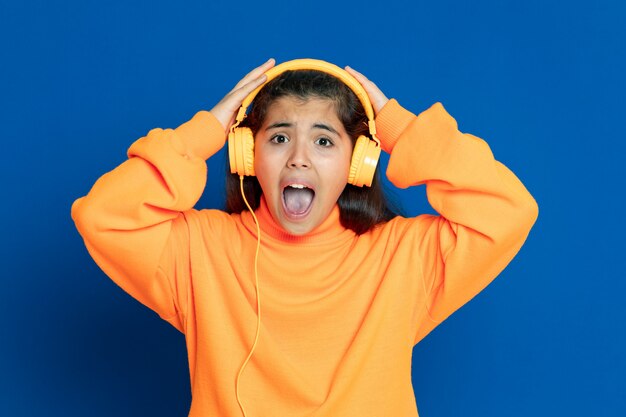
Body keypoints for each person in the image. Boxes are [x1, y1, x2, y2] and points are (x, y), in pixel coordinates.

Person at [71, 58, 539, 417]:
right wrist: (208, 130)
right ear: (247, 155)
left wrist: (401, 129)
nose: (298, 158)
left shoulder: (403, 257)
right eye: (278, 138)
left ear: (359, 163)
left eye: (323, 140)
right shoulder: (198, 251)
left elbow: (508, 210)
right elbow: (103, 214)